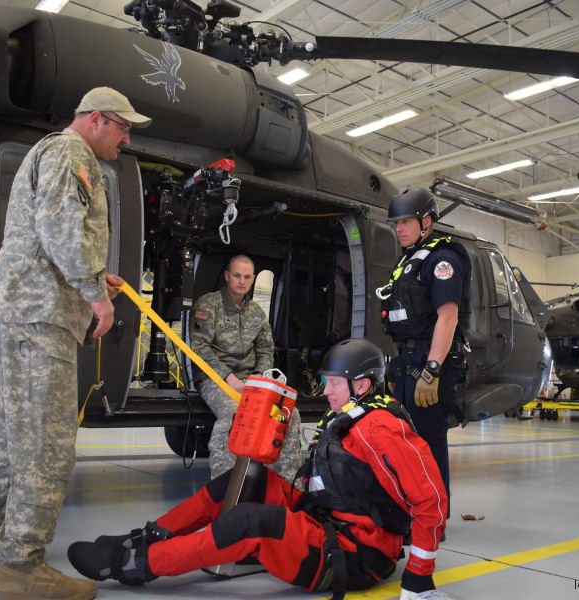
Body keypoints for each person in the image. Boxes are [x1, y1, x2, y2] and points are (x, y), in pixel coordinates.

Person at [0, 86, 151, 600]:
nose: (125, 140)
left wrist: (93, 277)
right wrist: (95, 296)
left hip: (23, 308)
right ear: (97, 120)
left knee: (16, 432)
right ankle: (20, 568)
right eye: (123, 128)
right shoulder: (71, 153)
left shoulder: (55, 152)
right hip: (40, 316)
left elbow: (54, 235)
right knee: (49, 445)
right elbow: (63, 227)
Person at [66, 338, 449, 600]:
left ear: (362, 385)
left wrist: (420, 573)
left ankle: (136, 565)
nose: (326, 391)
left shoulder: (381, 428)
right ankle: (147, 537)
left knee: (251, 521)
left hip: (357, 554)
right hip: (327, 518)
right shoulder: (348, 415)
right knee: (242, 479)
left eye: (334, 384)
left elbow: (430, 499)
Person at [378, 186, 471, 524]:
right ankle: (412, 512)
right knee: (405, 440)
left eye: (405, 222)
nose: (399, 229)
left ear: (427, 221)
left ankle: (434, 520)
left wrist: (432, 370)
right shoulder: (408, 261)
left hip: (427, 363)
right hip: (405, 362)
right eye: (396, 223)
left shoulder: (442, 260)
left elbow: (448, 317)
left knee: (429, 441)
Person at [190, 255, 302, 480]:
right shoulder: (208, 304)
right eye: (237, 276)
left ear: (252, 279)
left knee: (288, 414)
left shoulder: (256, 313)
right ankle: (223, 490)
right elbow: (200, 348)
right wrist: (229, 378)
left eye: (247, 277)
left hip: (251, 382)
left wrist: (259, 378)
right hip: (215, 379)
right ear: (227, 276)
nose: (242, 281)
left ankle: (287, 488)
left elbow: (265, 350)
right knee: (233, 414)